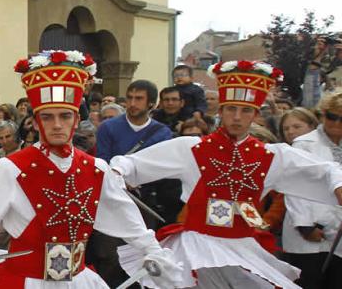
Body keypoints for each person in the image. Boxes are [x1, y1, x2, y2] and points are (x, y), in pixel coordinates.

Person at [0, 50, 181, 288]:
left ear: (76, 120)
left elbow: (126, 219)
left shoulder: (96, 169)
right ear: (35, 121)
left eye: (65, 116)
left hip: (78, 280)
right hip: (26, 282)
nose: (57, 125)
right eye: (47, 117)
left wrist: (152, 250)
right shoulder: (11, 168)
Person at [112, 60, 342, 288]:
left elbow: (326, 169)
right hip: (197, 246)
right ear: (221, 111)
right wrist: (118, 170)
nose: (238, 117)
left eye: (246, 110)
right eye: (231, 109)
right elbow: (132, 163)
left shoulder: (274, 156)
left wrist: (337, 184)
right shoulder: (190, 148)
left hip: (241, 246)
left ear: (254, 114)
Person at [89, 80, 176, 285]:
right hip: (112, 200)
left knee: (143, 255)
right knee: (110, 257)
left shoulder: (162, 132)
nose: (132, 103)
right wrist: (119, 179)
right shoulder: (108, 127)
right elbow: (102, 161)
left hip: (145, 203)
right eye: (129, 98)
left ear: (151, 104)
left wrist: (141, 181)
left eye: (139, 99)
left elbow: (161, 167)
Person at [282, 94, 342, 288]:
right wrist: (304, 225)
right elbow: (294, 187)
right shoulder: (304, 144)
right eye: (333, 117)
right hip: (308, 231)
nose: (337, 122)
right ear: (323, 115)